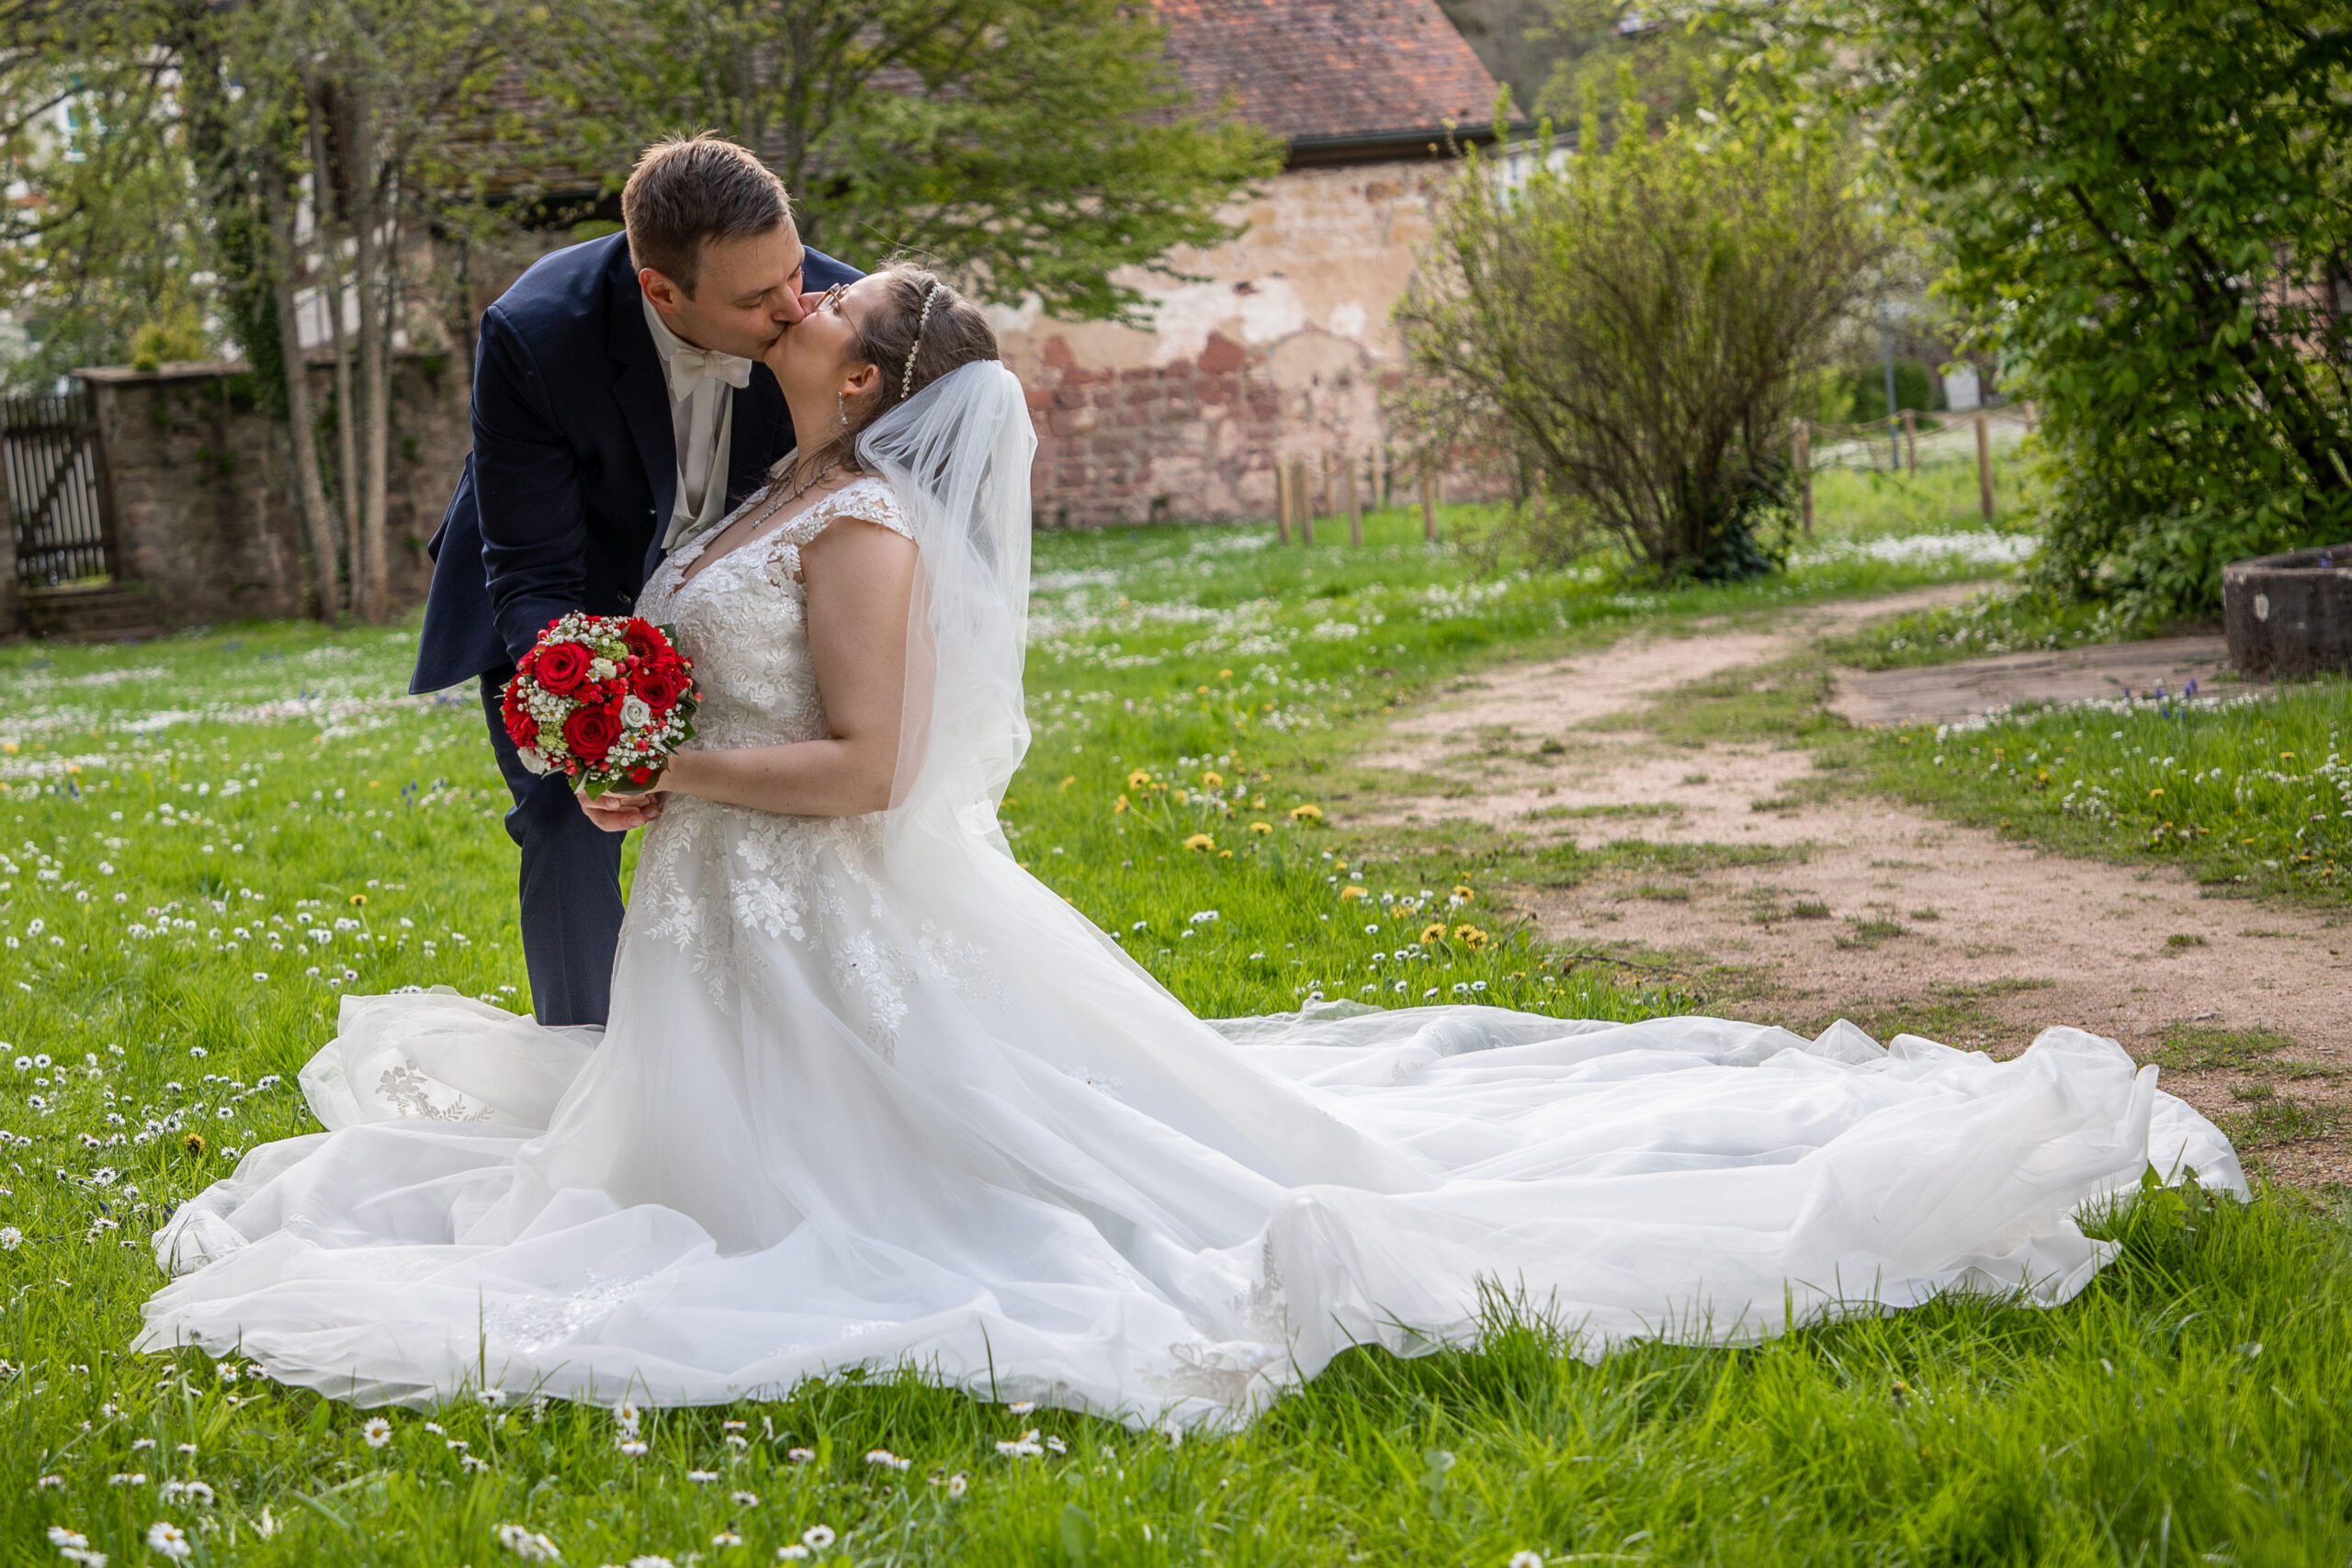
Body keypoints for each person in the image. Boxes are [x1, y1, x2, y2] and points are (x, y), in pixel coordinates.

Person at [139, 266, 2245, 1431]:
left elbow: (869, 769)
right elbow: (727, 693)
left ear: (869, 375)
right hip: (720, 916)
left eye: (821, 301)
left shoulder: (865, 523)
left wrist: (665, 777)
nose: (790, 301)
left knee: (1007, 1185)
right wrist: (633, 742)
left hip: (810, 904)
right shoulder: (767, 490)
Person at [409, 133, 861, 1027]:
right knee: (565, 820)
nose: (794, 306)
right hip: (576, 611)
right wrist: (599, 741)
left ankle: (795, 1046)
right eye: (755, 296)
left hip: (745, 607)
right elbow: (534, 570)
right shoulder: (536, 335)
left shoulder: (831, 312)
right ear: (662, 289)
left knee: (796, 811)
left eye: (793, 269)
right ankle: (586, 1061)